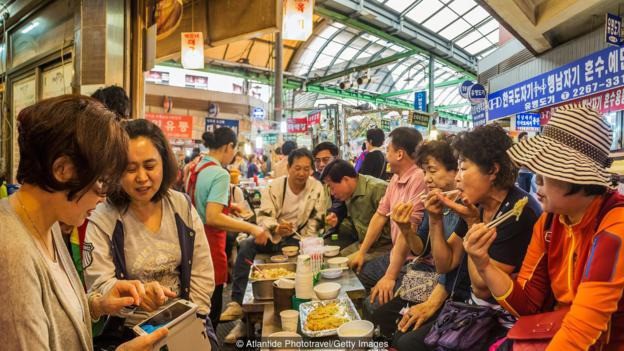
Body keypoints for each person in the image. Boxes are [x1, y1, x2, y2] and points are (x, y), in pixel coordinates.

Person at [0, 95, 167, 350]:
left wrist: (97, 305)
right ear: (63, 170)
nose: (103, 198)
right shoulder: (12, 255)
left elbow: (52, 319)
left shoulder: (49, 224)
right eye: (102, 183)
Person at [465, 106, 624, 350]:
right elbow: (528, 303)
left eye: (547, 170)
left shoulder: (615, 227)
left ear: (576, 176)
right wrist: (484, 263)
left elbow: (584, 327)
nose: (536, 180)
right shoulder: (550, 222)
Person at [393, 124, 542, 351]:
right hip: (472, 308)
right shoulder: (478, 204)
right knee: (401, 337)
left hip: (499, 320)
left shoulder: (518, 211)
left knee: (408, 344)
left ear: (492, 170)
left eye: (463, 168)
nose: (458, 178)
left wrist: (473, 223)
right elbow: (445, 264)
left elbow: (481, 287)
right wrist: (434, 219)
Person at [83, 119, 217, 348]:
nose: (142, 177)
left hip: (187, 322)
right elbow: (99, 285)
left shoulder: (181, 206)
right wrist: (134, 298)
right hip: (128, 331)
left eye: (150, 165)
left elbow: (202, 274)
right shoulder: (103, 217)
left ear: (164, 164)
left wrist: (192, 321)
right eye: (130, 169)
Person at [223, 149, 328, 332]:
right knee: (247, 244)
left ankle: (305, 309)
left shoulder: (316, 187)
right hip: (273, 236)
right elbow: (263, 216)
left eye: (306, 169)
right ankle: (237, 302)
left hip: (299, 239)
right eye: (297, 168)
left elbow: (317, 220)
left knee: (306, 263)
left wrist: (307, 243)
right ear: (288, 168)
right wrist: (276, 227)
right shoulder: (274, 187)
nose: (302, 173)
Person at [371, 139, 461, 337]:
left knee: (400, 333)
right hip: (431, 277)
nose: (427, 179)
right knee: (379, 317)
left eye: (433, 171)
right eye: (425, 171)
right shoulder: (435, 200)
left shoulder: (464, 207)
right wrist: (405, 229)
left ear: (456, 171)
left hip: (448, 286)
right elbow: (421, 249)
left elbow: (447, 266)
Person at [186, 128, 270, 331]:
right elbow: (213, 217)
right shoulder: (220, 174)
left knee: (196, 304)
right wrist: (253, 229)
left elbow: (200, 204)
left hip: (191, 242)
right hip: (210, 246)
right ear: (228, 146)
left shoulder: (196, 168)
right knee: (211, 310)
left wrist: (230, 207)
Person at [351, 127, 427, 305]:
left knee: (373, 304)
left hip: (415, 263)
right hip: (395, 255)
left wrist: (390, 277)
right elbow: (380, 216)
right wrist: (361, 252)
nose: (385, 155)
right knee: (358, 276)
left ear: (399, 154)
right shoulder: (395, 178)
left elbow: (407, 232)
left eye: (387, 150)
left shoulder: (419, 178)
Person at [321, 160, 390, 255]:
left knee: (343, 264)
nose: (332, 193)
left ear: (345, 180)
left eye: (332, 187)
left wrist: (365, 246)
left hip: (384, 248)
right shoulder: (348, 193)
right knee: (331, 258)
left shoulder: (378, 190)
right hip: (362, 244)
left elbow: (393, 232)